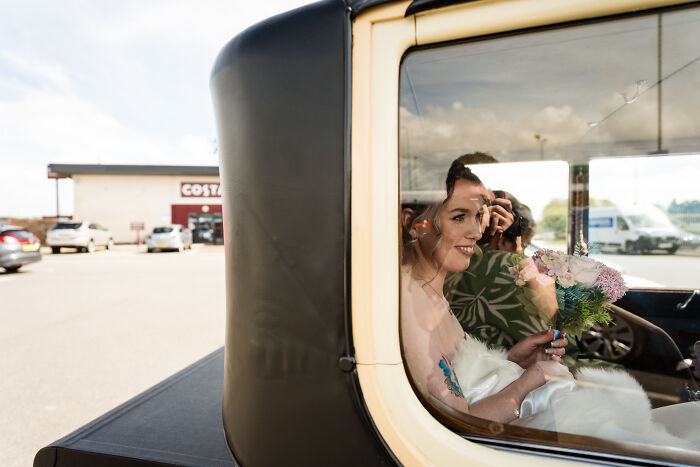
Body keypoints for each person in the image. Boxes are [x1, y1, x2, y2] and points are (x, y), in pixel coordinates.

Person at [400, 161, 570, 423]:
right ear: (413, 223)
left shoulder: (431, 293)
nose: (477, 232)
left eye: (479, 216)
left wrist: (512, 360)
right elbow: (457, 424)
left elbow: (463, 381)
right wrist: (529, 381)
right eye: (459, 217)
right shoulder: (410, 299)